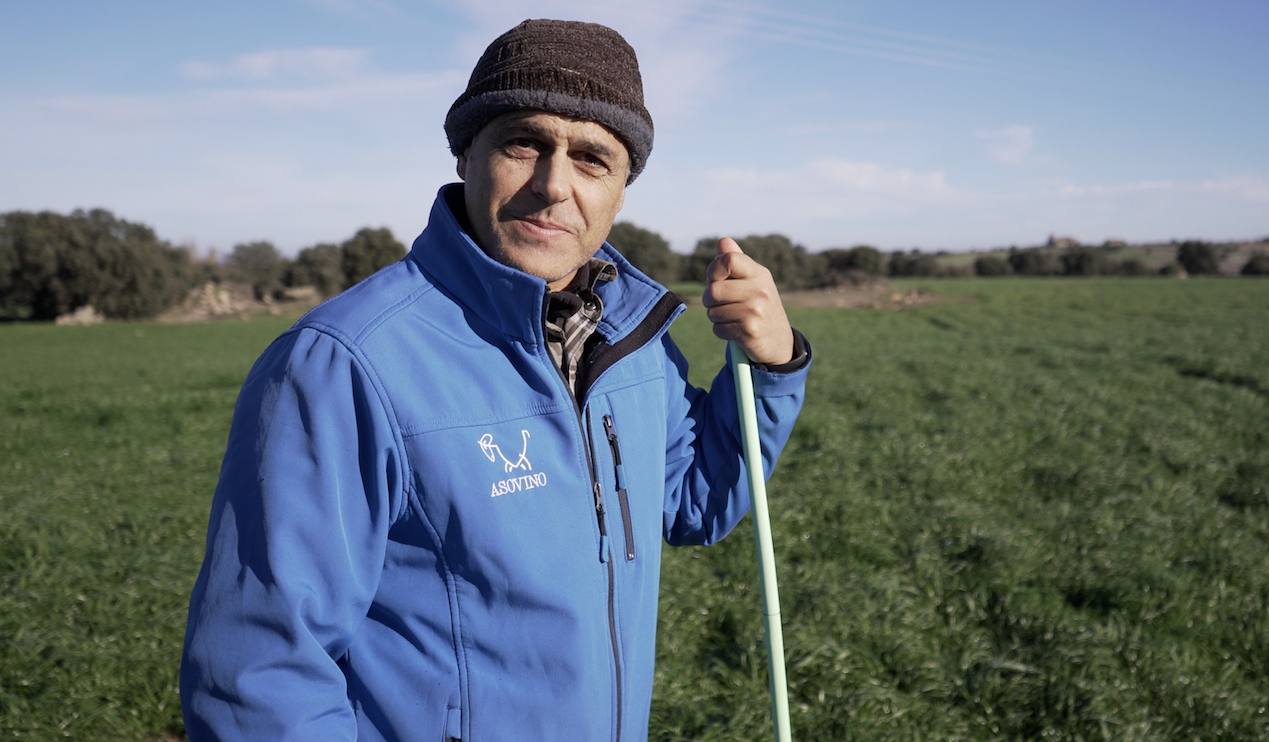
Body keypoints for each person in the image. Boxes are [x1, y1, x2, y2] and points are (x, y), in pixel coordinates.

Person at [180, 18, 811, 741]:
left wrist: (769, 367)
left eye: (592, 159)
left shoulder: (629, 341)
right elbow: (261, 673)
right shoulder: (344, 364)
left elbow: (696, 502)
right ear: (465, 152)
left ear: (621, 189)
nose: (553, 186)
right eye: (524, 143)